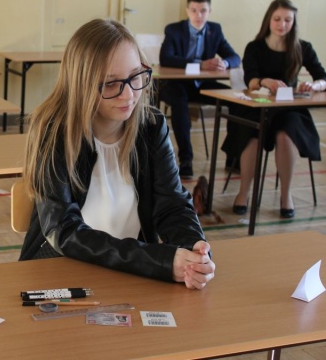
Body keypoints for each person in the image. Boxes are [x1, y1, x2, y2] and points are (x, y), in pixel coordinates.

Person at [19, 19, 215, 290]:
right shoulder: (54, 133)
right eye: (111, 84)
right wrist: (159, 261)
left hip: (131, 276)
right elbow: (64, 231)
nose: (129, 95)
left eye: (136, 76)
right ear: (82, 84)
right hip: (61, 273)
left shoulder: (151, 126)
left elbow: (172, 205)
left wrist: (194, 251)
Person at [225, 0, 326, 219]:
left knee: (286, 135)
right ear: (269, 20)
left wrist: (315, 85)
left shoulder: (302, 47)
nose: (282, 24)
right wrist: (264, 81)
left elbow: (322, 76)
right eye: (277, 19)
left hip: (288, 109)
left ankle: (286, 195)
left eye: (288, 20)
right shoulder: (255, 47)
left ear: (294, 22)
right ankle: (244, 192)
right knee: (252, 135)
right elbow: (250, 80)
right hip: (258, 106)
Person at [159, 0, 241, 179]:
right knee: (179, 102)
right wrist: (199, 64)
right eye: (194, 10)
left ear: (209, 11)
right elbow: (166, 58)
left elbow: (235, 57)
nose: (198, 16)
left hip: (201, 85)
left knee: (236, 100)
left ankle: (233, 156)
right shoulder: (174, 30)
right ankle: (186, 159)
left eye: (203, 11)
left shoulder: (215, 30)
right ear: (187, 11)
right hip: (175, 86)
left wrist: (225, 62)